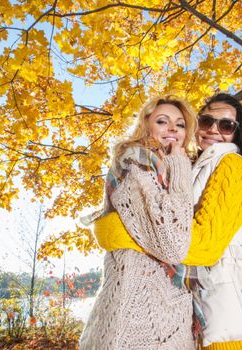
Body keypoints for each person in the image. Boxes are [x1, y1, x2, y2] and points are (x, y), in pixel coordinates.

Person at [94, 93, 242, 349]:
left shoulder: (231, 166)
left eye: (226, 125)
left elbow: (202, 246)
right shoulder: (189, 168)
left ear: (237, 133)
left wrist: (114, 231)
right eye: (206, 121)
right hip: (214, 321)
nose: (214, 129)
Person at [79, 95, 199, 350]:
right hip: (136, 314)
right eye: (162, 121)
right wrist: (180, 165)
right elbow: (173, 245)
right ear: (146, 125)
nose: (172, 129)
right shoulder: (135, 162)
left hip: (164, 311)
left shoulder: (164, 167)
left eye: (180, 124)